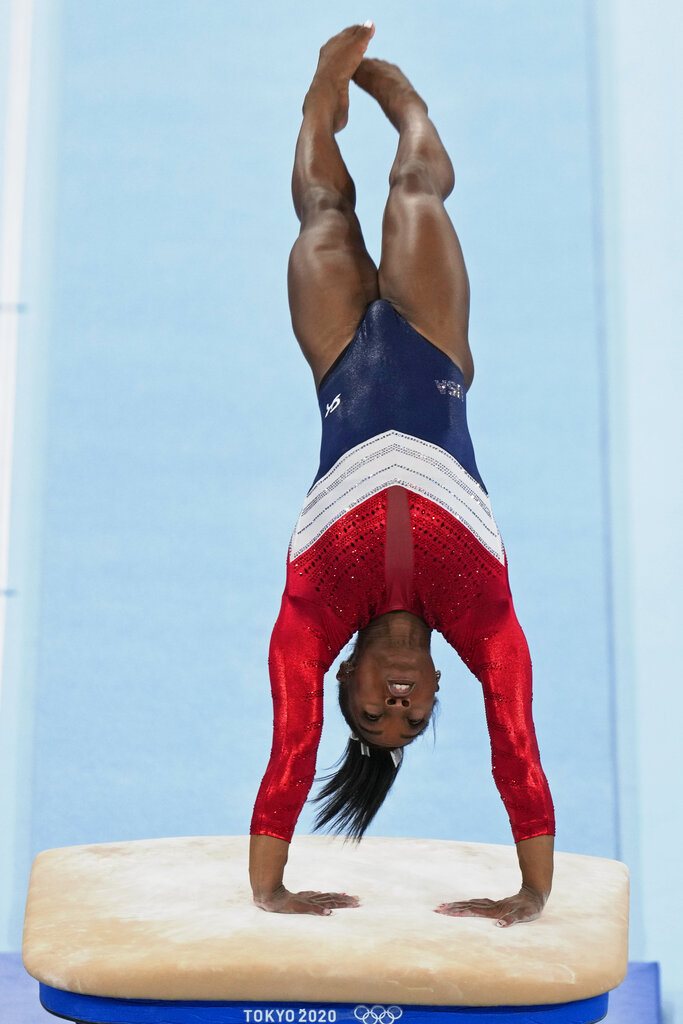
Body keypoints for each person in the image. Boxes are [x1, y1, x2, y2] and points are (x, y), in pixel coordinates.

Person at [249, 23, 555, 926]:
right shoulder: (483, 617)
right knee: (412, 192)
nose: (395, 706)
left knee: (323, 216)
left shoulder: (309, 613)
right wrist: (533, 893)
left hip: (341, 360)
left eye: (373, 714)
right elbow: (518, 747)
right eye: (413, 720)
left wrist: (268, 890)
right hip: (430, 351)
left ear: (339, 676)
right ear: (435, 688)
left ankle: (317, 102)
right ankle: (412, 110)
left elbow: (289, 746)